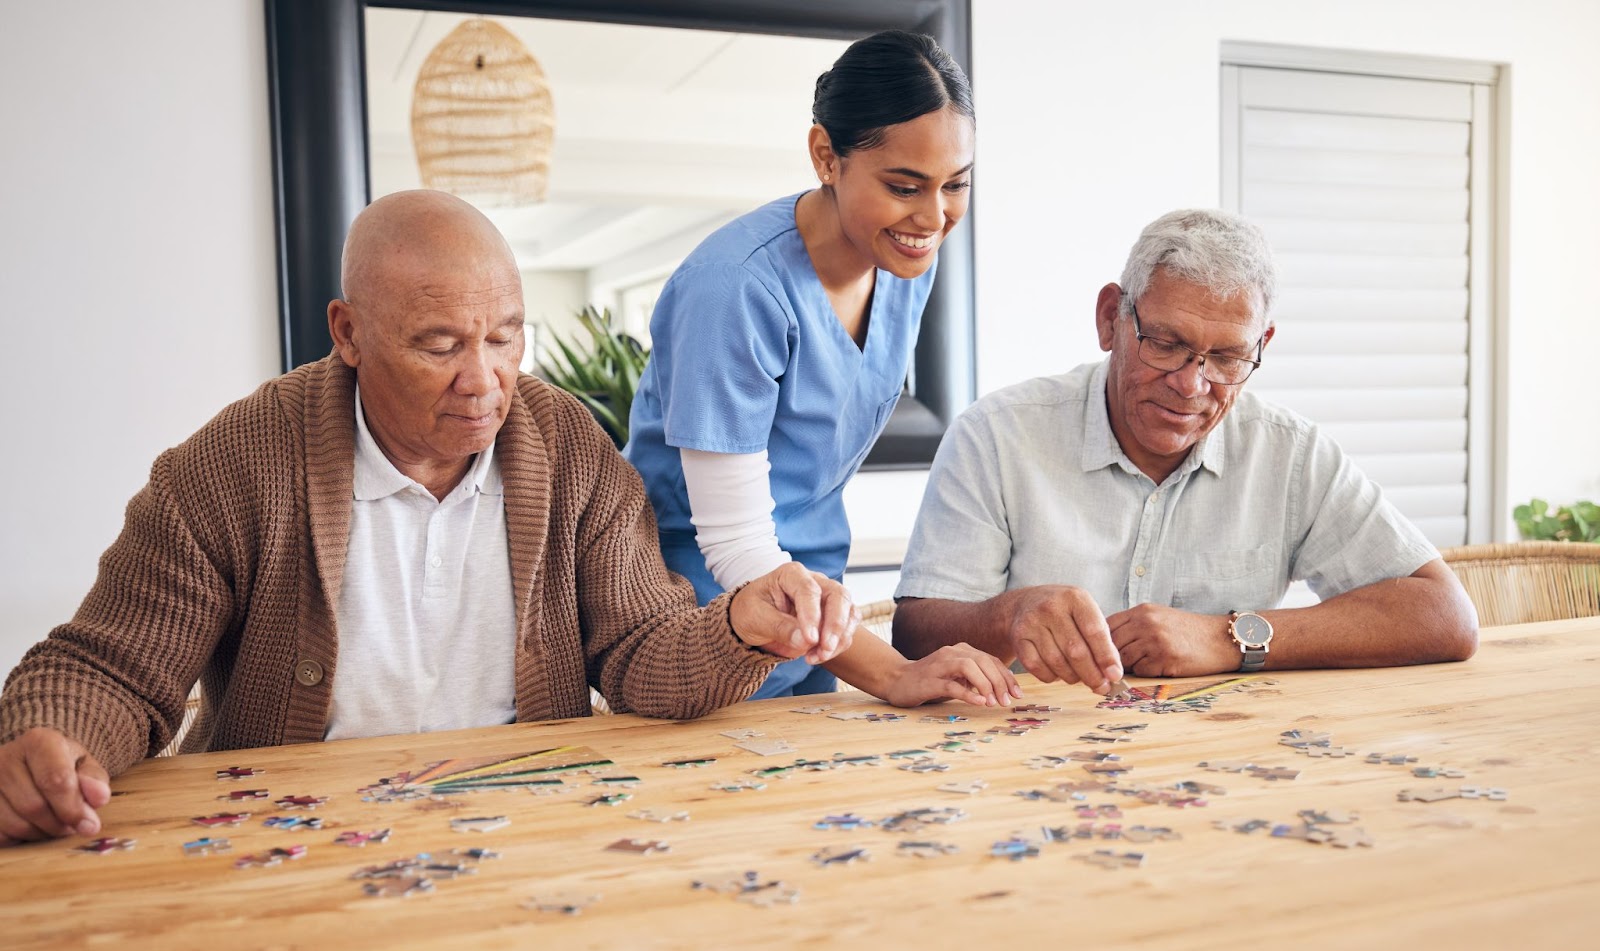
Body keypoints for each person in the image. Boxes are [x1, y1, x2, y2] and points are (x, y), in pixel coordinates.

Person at [0, 190, 907, 848]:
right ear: (348, 334)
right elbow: (111, 666)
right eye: (439, 344)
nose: (484, 379)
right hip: (288, 841)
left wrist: (741, 628)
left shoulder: (568, 449)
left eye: (506, 335)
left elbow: (641, 657)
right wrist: (52, 739)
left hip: (525, 825)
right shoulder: (236, 462)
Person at [893, 208, 1479, 693]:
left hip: (1224, 764)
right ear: (1110, 320)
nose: (1192, 385)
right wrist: (1008, 614)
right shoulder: (996, 436)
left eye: (1227, 358)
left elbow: (1444, 617)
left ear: (1262, 343)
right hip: (1021, 759)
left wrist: (1230, 638)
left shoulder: (1290, 454)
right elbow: (914, 639)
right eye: (1167, 344)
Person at [624, 29, 1012, 703]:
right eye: (903, 185)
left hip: (819, 614)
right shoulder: (734, 289)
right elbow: (738, 546)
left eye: (956, 184)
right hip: (702, 619)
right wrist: (894, 672)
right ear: (825, 156)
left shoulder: (906, 258)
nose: (933, 215)